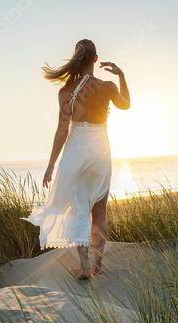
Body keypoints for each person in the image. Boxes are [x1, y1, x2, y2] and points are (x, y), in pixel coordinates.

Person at [21, 39, 130, 280]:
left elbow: (61, 130)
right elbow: (126, 105)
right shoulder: (108, 87)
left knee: (80, 207)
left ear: (76, 59)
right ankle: (98, 263)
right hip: (100, 147)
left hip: (77, 148)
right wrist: (121, 75)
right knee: (100, 209)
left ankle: (84, 266)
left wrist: (51, 165)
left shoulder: (66, 92)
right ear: (95, 58)